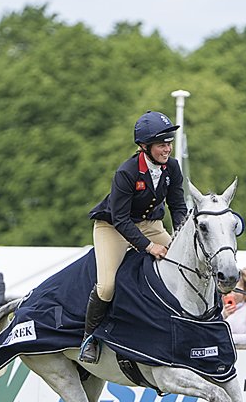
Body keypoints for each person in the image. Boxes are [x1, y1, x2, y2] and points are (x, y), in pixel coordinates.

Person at [78, 110, 187, 363]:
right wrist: (149, 247)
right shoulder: (126, 172)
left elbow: (178, 206)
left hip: (151, 223)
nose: (167, 149)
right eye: (161, 144)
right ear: (144, 146)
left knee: (183, 266)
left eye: (169, 143)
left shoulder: (172, 167)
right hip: (113, 229)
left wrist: (181, 238)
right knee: (107, 286)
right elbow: (120, 219)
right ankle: (89, 337)